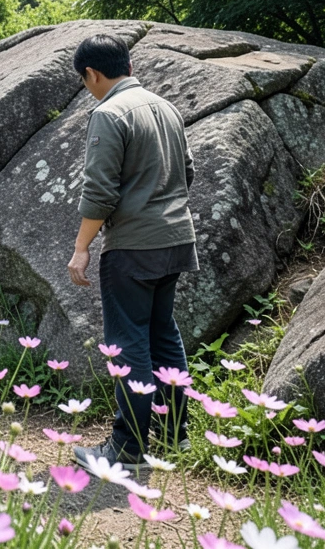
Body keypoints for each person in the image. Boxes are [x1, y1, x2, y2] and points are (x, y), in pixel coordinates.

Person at [66, 34, 198, 467]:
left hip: (134, 247)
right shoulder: (166, 107)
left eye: (85, 81)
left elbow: (100, 191)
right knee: (164, 334)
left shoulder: (108, 113)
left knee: (128, 344)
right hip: (177, 239)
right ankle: (176, 436)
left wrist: (82, 248)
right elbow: (188, 170)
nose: (88, 87)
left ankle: (127, 447)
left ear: (92, 73)